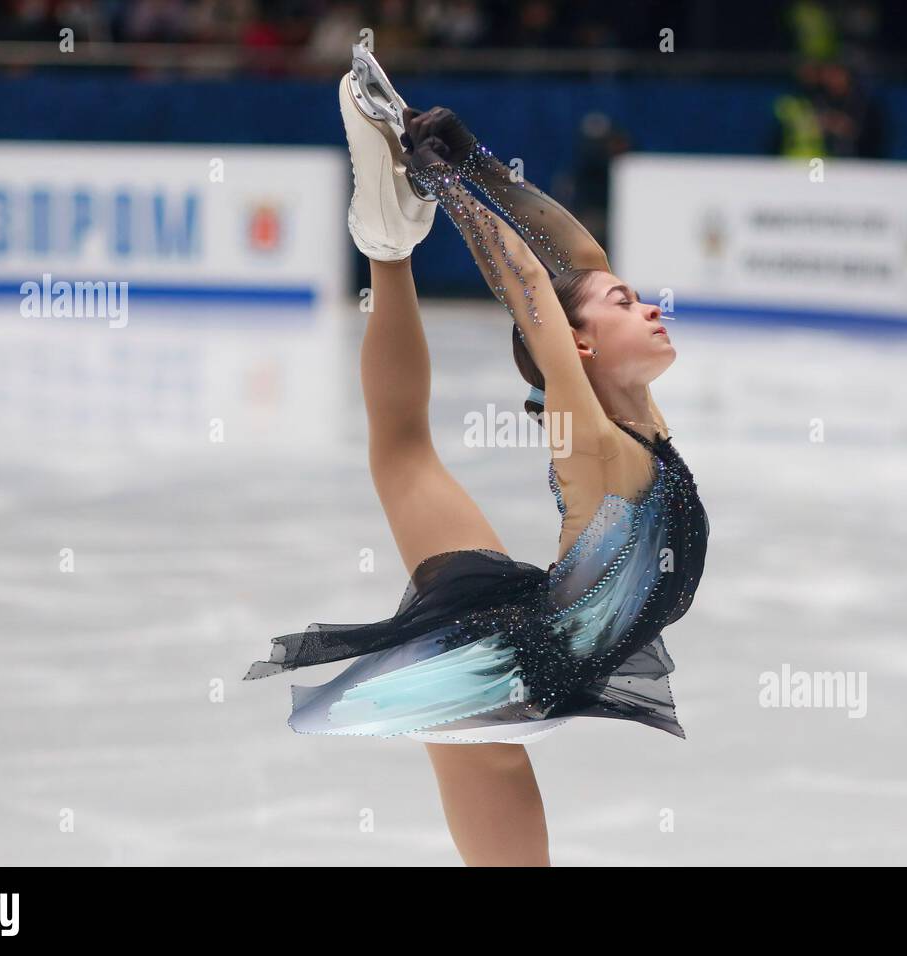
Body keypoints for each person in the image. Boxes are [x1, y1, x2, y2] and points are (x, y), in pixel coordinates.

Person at [244, 47, 709, 866]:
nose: (650, 305)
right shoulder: (594, 436)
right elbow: (533, 292)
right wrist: (450, 192)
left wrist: (477, 166)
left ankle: (387, 248)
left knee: (402, 453)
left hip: (524, 616)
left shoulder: (635, 413)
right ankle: (391, 237)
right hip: (521, 661)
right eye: (625, 306)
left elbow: (577, 261)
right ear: (582, 347)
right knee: (404, 457)